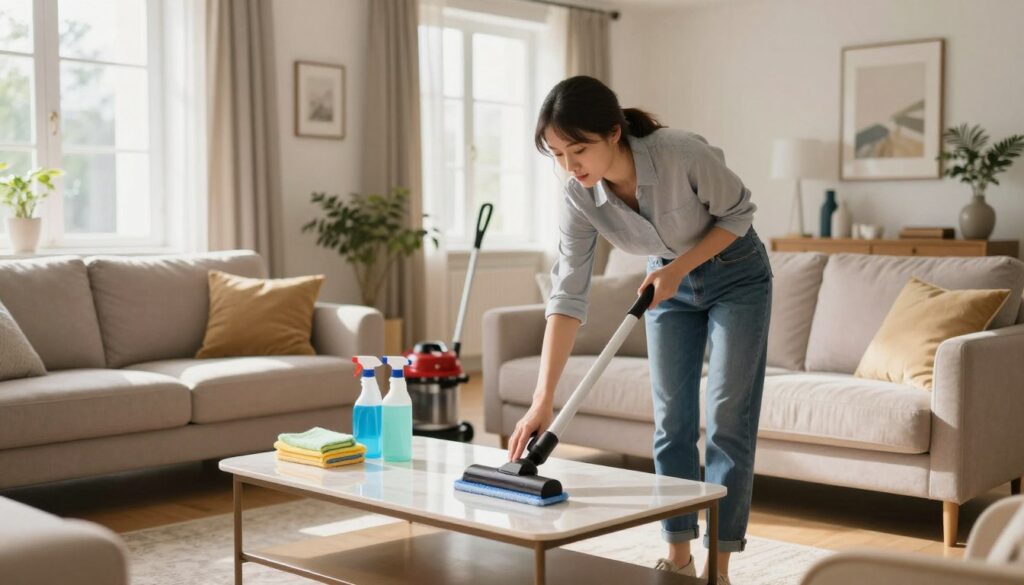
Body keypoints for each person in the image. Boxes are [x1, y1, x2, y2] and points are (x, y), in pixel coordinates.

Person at [506, 75, 773, 584]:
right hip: (666, 284)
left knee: (726, 421)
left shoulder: (680, 153)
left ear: (613, 133)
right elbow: (567, 295)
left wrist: (680, 266)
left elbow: (739, 213)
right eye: (557, 154)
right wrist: (543, 401)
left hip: (736, 275)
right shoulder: (579, 198)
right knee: (671, 421)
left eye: (578, 149)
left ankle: (719, 571)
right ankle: (678, 559)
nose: (570, 166)